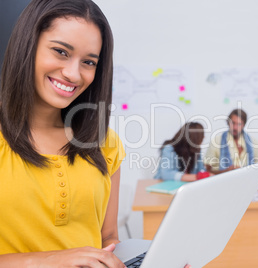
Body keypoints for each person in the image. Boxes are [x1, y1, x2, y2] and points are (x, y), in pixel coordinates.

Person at [0, 1, 194, 268]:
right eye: (60, 51)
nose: (73, 74)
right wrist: (51, 260)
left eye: (89, 62)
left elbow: (109, 239)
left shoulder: (105, 144)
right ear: (28, 45)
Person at [204, 108, 258, 174]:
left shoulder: (253, 142)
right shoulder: (216, 141)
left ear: (243, 125)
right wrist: (226, 171)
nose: (235, 127)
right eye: (233, 123)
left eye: (239, 124)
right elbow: (206, 171)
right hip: (223, 183)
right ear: (228, 123)